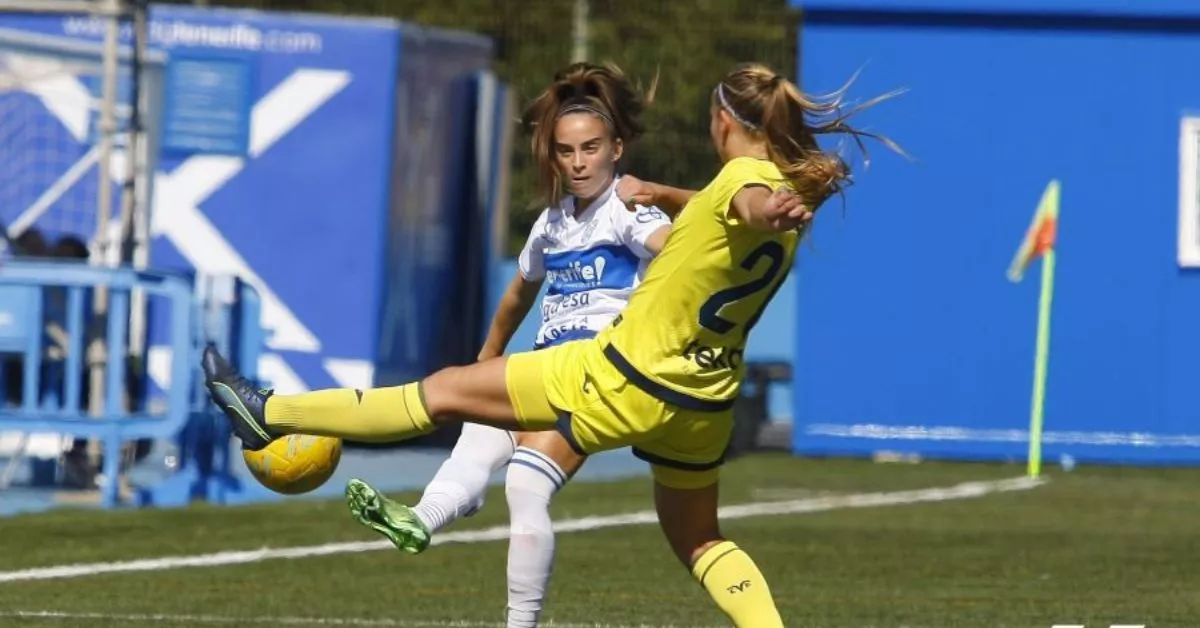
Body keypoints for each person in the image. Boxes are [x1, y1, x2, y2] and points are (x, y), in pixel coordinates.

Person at [204, 61, 896, 628]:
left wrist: (745, 203)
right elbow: (732, 212)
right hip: (705, 400)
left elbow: (741, 201)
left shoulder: (746, 185)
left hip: (621, 373)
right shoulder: (780, 192)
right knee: (701, 539)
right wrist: (683, 193)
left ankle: (272, 412)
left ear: (722, 122)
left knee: (442, 393)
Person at [344, 62, 671, 628]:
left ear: (617, 149)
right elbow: (519, 292)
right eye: (567, 152)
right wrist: (487, 358)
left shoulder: (629, 209)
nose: (578, 161)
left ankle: (521, 622)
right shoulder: (552, 223)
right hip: (541, 367)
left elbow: (674, 252)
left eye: (591, 149)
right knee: (475, 438)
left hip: (591, 378)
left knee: (524, 485)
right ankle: (422, 518)